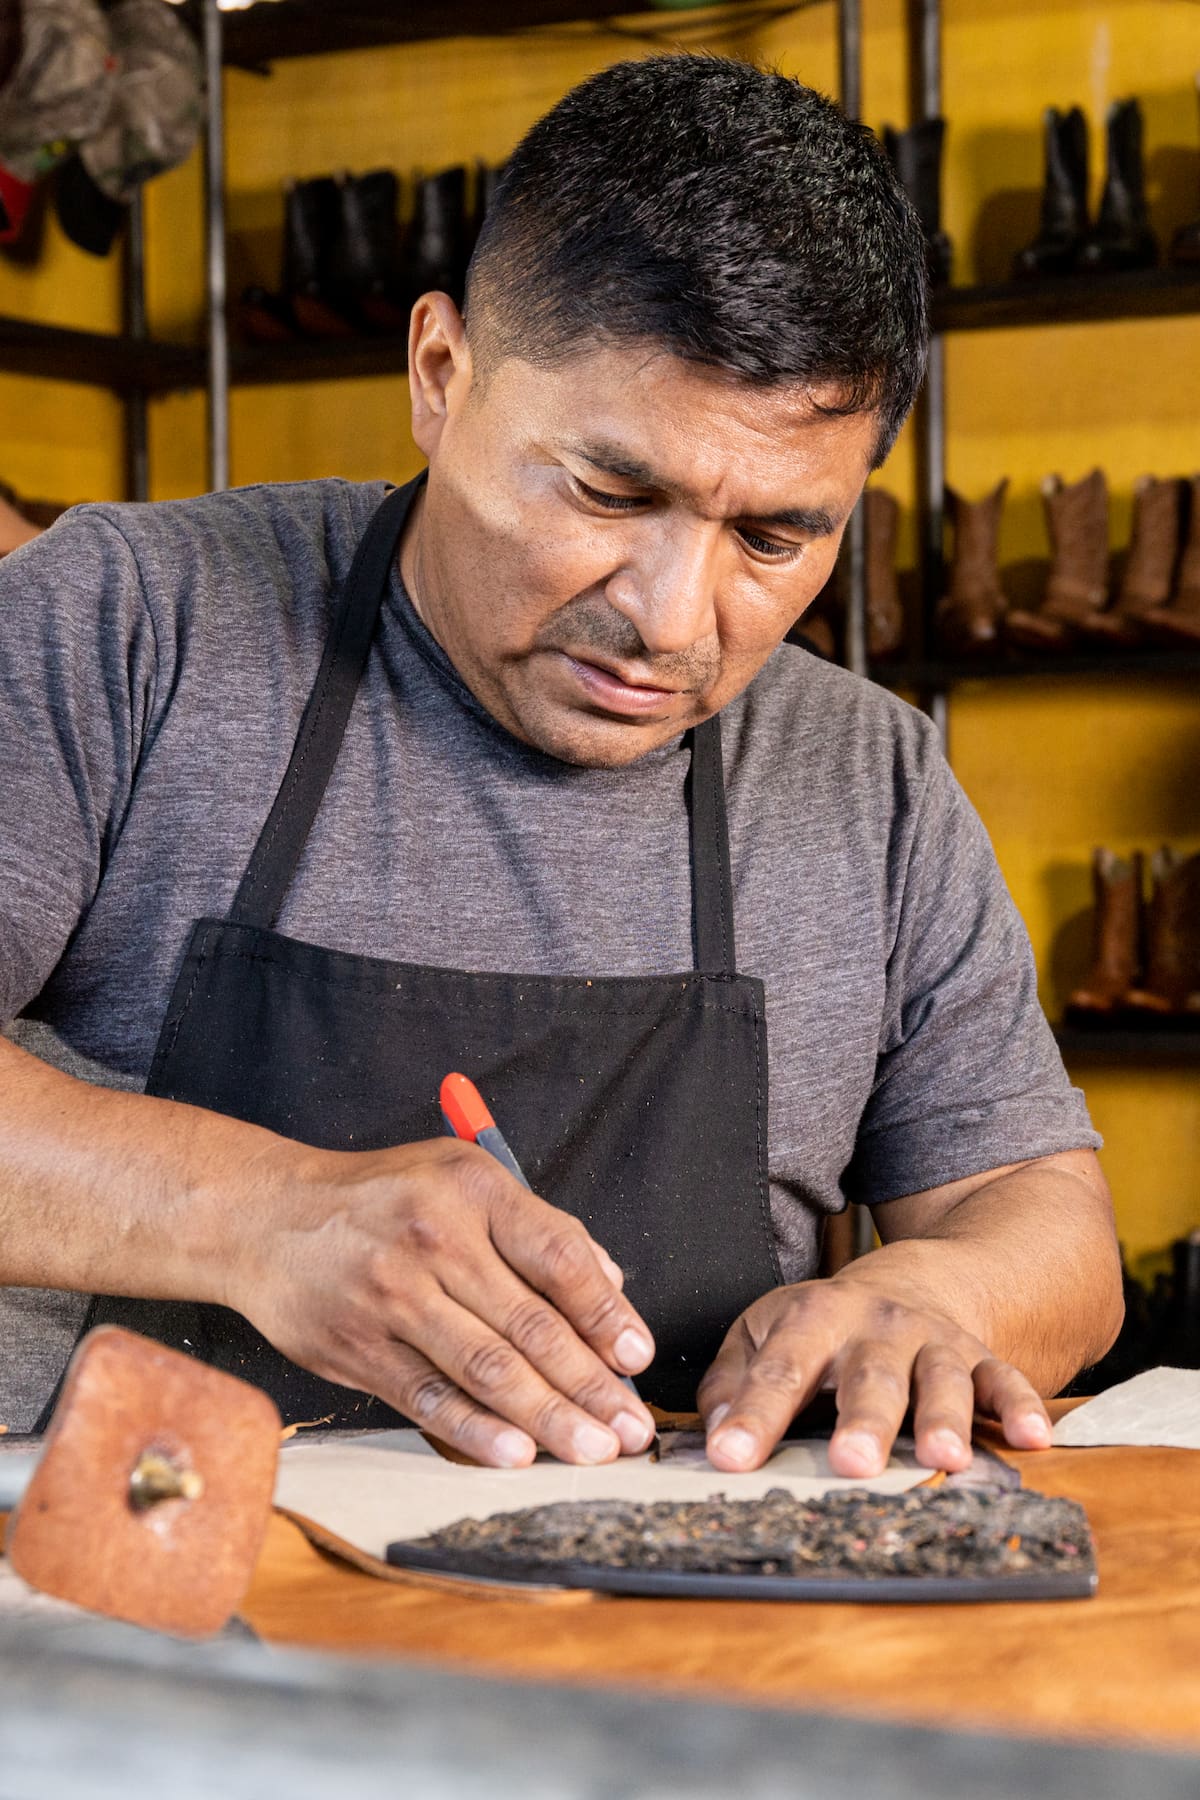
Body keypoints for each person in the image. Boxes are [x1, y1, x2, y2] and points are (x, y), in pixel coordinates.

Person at [0, 56, 1122, 1474]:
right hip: (154, 1618)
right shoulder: (127, 624)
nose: (671, 619)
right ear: (438, 373)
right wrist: (260, 1216)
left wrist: (935, 1295)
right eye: (609, 490)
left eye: (773, 538)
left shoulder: (869, 782)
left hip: (657, 1623)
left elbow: (1044, 1209)